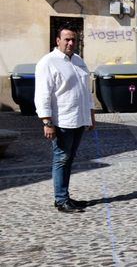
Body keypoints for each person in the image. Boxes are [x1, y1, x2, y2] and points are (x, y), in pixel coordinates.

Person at [34, 25, 95, 213]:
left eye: (73, 40)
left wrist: (90, 114)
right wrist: (47, 121)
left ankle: (64, 196)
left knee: (69, 159)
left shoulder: (78, 61)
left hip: (78, 119)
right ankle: (61, 200)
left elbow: (86, 90)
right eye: (66, 39)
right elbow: (43, 94)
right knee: (61, 159)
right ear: (57, 41)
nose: (70, 43)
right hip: (62, 121)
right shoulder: (48, 62)